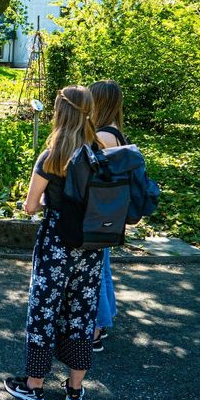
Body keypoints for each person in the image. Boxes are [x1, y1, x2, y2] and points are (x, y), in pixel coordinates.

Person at [3, 85, 104, 400]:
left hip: (56, 243)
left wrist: (35, 201)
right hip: (91, 246)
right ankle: (75, 389)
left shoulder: (52, 155)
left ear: (61, 111)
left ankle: (34, 385)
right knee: (81, 313)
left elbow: (31, 206)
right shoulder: (99, 150)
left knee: (43, 310)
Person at [89, 79, 125, 352]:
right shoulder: (116, 131)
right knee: (105, 268)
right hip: (111, 211)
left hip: (99, 212)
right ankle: (107, 317)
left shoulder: (102, 135)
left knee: (96, 272)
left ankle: (96, 330)